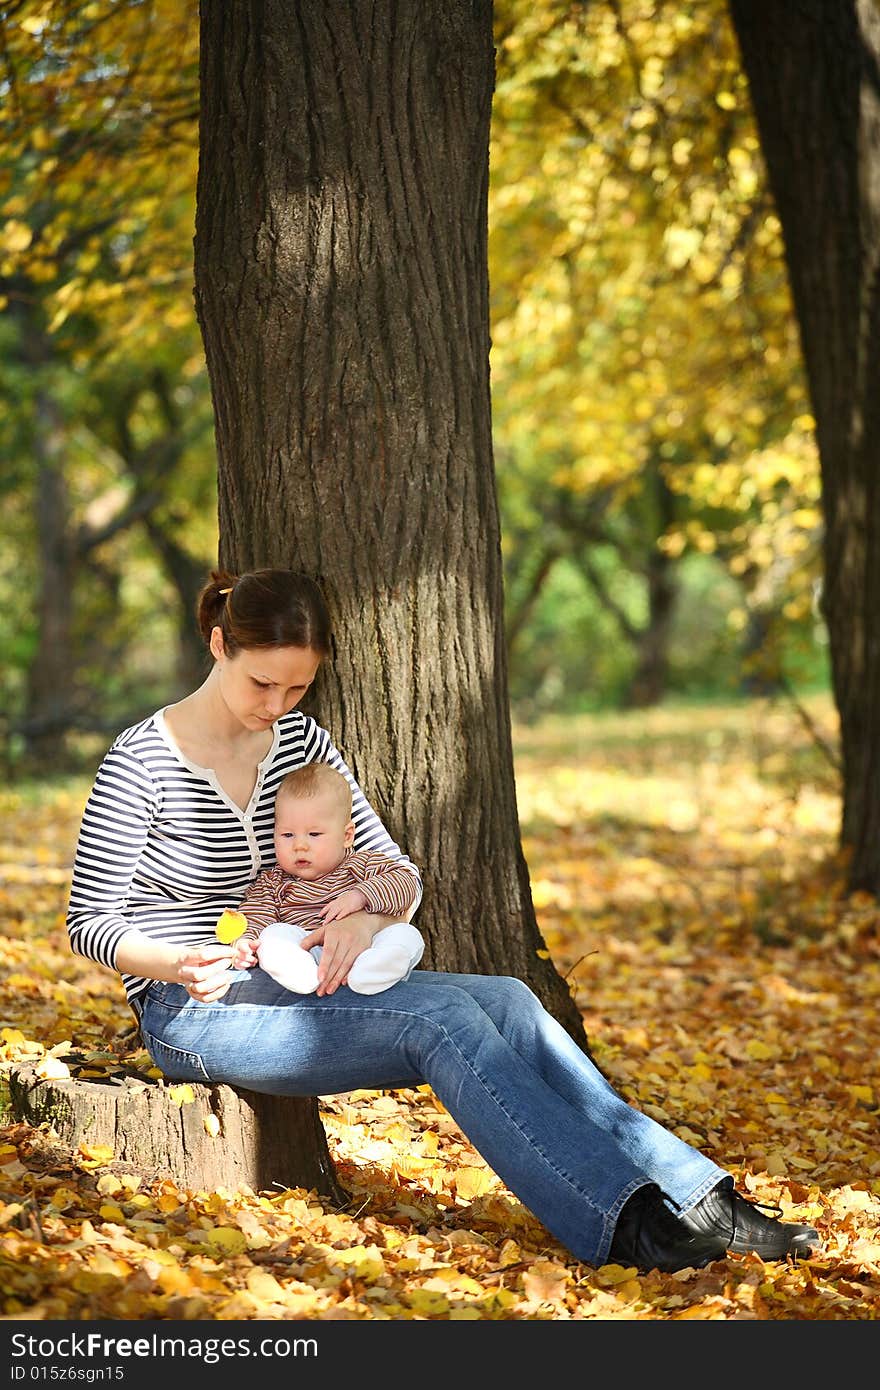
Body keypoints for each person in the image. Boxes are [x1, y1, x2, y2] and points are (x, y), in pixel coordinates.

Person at [66, 567, 820, 1274]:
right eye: (263, 683)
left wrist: (361, 910)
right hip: (195, 1007)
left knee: (508, 999)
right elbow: (88, 921)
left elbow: (397, 868)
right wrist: (176, 965)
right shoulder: (142, 760)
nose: (278, 706)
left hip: (306, 969)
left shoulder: (299, 742)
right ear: (219, 644)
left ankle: (701, 1200)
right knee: (440, 1020)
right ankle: (625, 1225)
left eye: (298, 688)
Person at [230, 762, 424, 995]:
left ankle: (373, 973)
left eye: (314, 834)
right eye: (287, 834)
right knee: (273, 935)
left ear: (346, 836)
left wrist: (361, 896)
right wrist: (244, 943)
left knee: (406, 936)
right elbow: (256, 914)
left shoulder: (363, 864)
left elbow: (405, 885)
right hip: (308, 954)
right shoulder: (274, 882)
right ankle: (302, 977)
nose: (299, 845)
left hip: (365, 949)